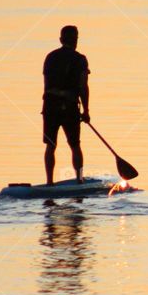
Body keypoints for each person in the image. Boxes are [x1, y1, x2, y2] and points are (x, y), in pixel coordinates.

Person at [42, 25, 91, 185]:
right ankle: (79, 180)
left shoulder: (50, 57)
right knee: (75, 145)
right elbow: (83, 87)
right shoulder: (80, 59)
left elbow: (46, 85)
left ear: (61, 40)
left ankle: (49, 182)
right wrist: (86, 110)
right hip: (69, 107)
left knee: (51, 145)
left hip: (50, 106)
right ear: (76, 40)